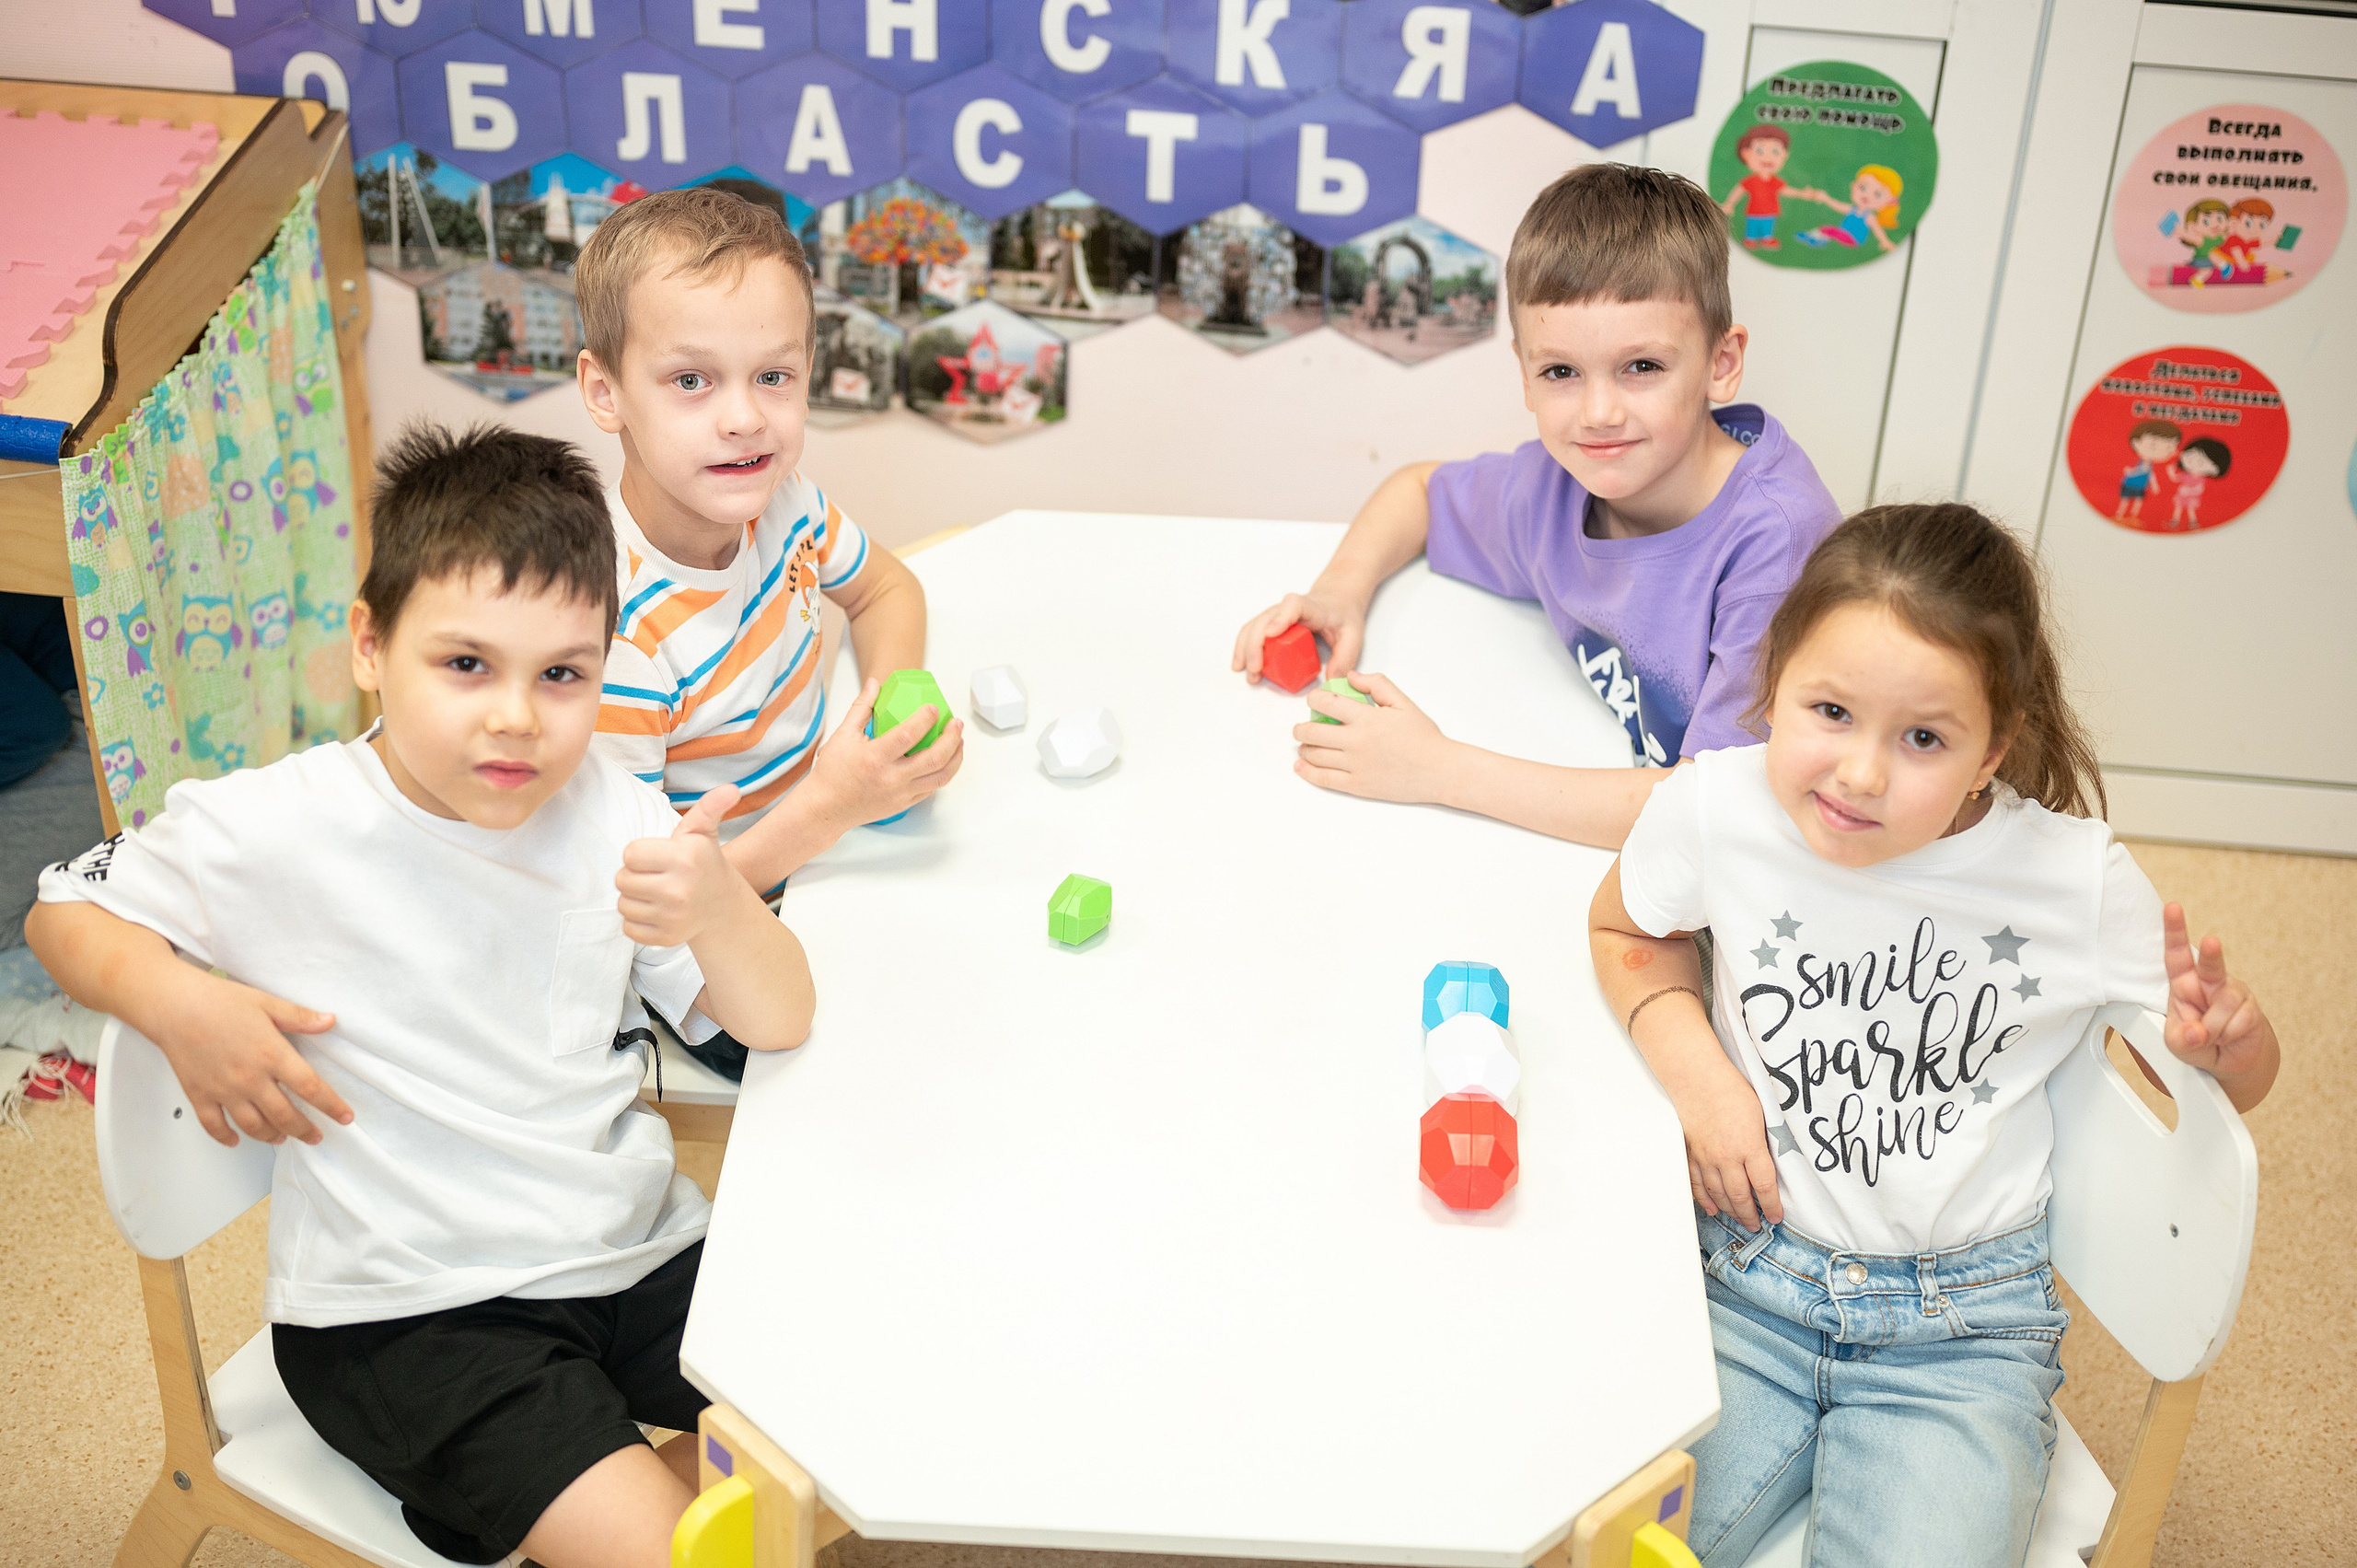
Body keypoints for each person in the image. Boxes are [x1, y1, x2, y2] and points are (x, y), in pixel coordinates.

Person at [26, 424, 817, 1568]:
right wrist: (182, 1004)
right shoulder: (282, 822)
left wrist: (723, 907)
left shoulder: (618, 810)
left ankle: (546, 1492)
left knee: (850, 1413)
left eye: (562, 674)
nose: (516, 716)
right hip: (410, 1311)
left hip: (631, 1247)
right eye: (466, 664)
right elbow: (62, 907)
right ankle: (556, 1487)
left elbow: (779, 1019)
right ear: (370, 644)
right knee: (697, 1548)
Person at [1586, 504, 2282, 1567]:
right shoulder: (1718, 806)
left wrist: (2231, 1048)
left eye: (1922, 738)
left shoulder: (2072, 878)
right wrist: (1701, 1078)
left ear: (1991, 749)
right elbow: (1626, 926)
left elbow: (2227, 1089)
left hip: (1962, 1337)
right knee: (1597, 1540)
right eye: (1829, 710)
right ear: (1772, 681)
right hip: (1738, 1276)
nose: (1860, 773)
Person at [1232, 163, 1844, 850]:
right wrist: (1340, 592)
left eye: (1642, 366)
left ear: (1721, 364)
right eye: (1561, 372)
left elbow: (1710, 815)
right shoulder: (1553, 487)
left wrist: (1438, 770)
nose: (1599, 412)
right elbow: (1418, 492)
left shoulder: (1777, 548)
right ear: (1524, 374)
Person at [573, 186, 962, 1080]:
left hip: (826, 841)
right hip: (715, 933)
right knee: (876, 1076)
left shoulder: (783, 502)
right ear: (605, 392)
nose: (745, 417)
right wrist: (834, 804)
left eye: (774, 377)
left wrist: (884, 714)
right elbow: (654, 903)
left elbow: (887, 589)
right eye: (691, 381)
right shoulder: (614, 639)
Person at [1717, 125, 1830, 250]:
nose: (1768, 157)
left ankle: (1767, 238)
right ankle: (1750, 238)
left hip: (1770, 213)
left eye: (1775, 151)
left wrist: (1803, 194)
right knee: (1752, 227)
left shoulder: (1775, 181)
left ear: (1785, 155)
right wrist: (1729, 203)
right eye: (1760, 151)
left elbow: (1786, 191)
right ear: (1746, 154)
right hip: (1753, 212)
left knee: (1767, 227)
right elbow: (1738, 191)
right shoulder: (1750, 181)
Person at [1793, 165, 1903, 253]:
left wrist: (1885, 242)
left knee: (1829, 230)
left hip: (1853, 239)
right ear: (1853, 186)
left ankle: (1815, 239)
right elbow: (1837, 205)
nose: (1867, 195)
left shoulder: (1869, 216)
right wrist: (1826, 198)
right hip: (1844, 235)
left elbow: (1877, 230)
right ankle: (1816, 238)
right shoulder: (1852, 209)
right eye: (1863, 187)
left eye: (1878, 194)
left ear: (1887, 203)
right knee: (1830, 231)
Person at [2116, 417, 2180, 523]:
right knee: (2125, 500)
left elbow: (2151, 475)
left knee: (2138, 501)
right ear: (2136, 443)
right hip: (2129, 484)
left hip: (2141, 486)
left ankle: (2133, 517)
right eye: (2153, 445)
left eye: (2168, 448)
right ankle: (2119, 515)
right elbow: (2129, 470)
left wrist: (2154, 485)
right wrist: (2133, 471)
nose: (2161, 452)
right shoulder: (2135, 460)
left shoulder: (2149, 464)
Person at [2167, 436, 2230, 529]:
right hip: (2182, 495)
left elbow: (2199, 488)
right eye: (2190, 458)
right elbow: (2176, 479)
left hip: (2191, 496)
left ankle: (2193, 522)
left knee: (2190, 509)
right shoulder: (2186, 474)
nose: (2193, 463)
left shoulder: (2200, 478)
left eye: (2201, 462)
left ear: (2215, 470)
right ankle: (2175, 521)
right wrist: (2170, 472)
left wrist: (2188, 491)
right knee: (2178, 507)